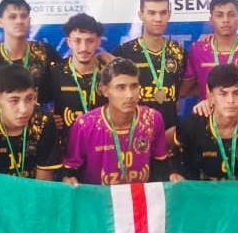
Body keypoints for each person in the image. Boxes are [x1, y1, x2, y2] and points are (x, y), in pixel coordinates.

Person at [63, 58, 170, 186]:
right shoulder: (85, 125)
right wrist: (69, 180)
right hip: (99, 197)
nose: (129, 95)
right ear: (104, 90)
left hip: (138, 197)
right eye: (121, 87)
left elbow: (160, 168)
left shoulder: (152, 119)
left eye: (134, 86)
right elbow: (72, 172)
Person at [171, 64, 238, 181]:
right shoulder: (192, 125)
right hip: (203, 189)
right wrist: (176, 175)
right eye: (223, 94)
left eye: (236, 93)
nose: (230, 100)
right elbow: (176, 161)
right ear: (210, 95)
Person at [113, 0, 185, 141]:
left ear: (169, 15)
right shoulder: (124, 52)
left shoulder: (179, 52)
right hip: (133, 135)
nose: (158, 18)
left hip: (170, 134)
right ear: (141, 15)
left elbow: (188, 86)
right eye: (152, 13)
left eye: (163, 13)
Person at [51, 13, 108, 145]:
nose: (83, 48)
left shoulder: (109, 72)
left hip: (104, 145)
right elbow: (36, 102)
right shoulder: (54, 72)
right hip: (66, 147)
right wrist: (48, 119)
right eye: (77, 41)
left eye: (90, 41)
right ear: (68, 42)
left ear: (98, 41)